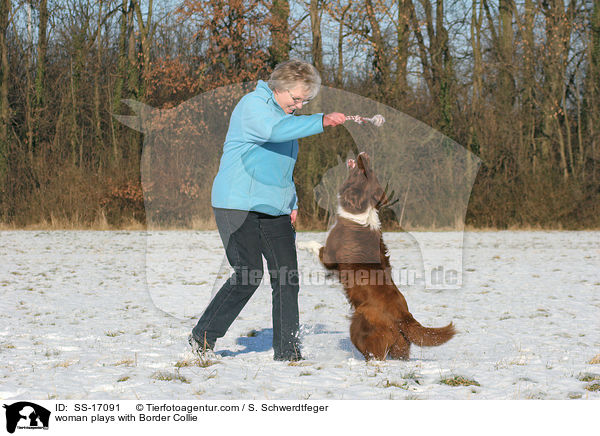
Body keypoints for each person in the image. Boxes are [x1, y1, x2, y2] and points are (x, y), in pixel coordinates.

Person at [189, 59, 346, 361]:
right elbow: (274, 132)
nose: (299, 105)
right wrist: (320, 119)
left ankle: (288, 351)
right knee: (248, 273)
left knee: (287, 277)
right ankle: (203, 337)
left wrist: (292, 202)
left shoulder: (286, 117)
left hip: (274, 207)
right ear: (279, 87)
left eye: (306, 101)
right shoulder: (253, 105)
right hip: (237, 202)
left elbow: (282, 167)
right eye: (296, 98)